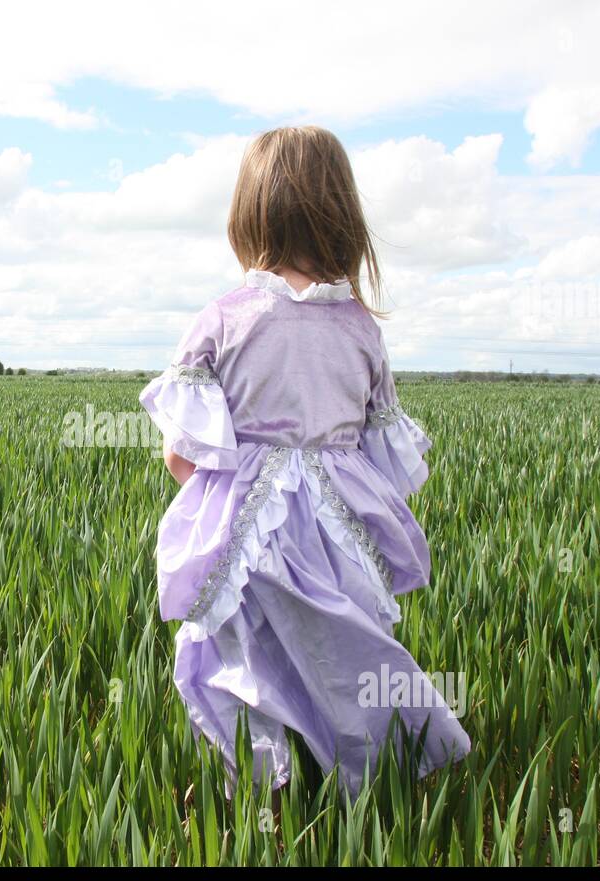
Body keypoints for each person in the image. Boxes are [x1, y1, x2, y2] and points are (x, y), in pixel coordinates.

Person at [139, 126, 470, 801]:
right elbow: (384, 461)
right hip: (338, 532)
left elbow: (182, 453)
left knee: (245, 665)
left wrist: (236, 497)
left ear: (249, 211)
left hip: (247, 534)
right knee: (346, 655)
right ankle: (384, 776)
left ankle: (271, 793)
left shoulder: (223, 320)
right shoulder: (359, 329)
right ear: (344, 212)